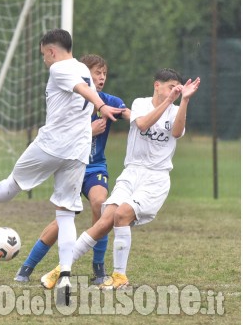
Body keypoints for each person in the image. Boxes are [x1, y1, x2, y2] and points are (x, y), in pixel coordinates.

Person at [0, 29, 125, 302]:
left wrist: (100, 106)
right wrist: (99, 105)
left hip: (51, 145)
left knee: (13, 183)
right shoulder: (82, 68)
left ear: (52, 51)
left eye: (44, 55)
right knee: (65, 214)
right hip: (77, 152)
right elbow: (86, 86)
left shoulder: (59, 70)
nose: (44, 60)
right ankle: (65, 276)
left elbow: (83, 90)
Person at [39, 68, 201, 290]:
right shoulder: (141, 104)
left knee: (122, 214)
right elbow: (143, 124)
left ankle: (119, 276)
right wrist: (170, 101)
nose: (175, 91)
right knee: (105, 220)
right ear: (157, 86)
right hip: (131, 172)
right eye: (171, 87)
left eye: (177, 88)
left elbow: (176, 132)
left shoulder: (175, 110)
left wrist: (184, 101)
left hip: (155, 178)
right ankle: (62, 268)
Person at [14, 54, 131, 286]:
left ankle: (99, 269)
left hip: (94, 167)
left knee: (101, 204)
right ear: (84, 74)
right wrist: (89, 130)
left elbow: (134, 117)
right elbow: (59, 133)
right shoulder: (69, 100)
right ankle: (27, 266)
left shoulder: (110, 102)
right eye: (97, 73)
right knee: (62, 222)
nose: (101, 78)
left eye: (104, 73)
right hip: (69, 164)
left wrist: (155, 114)